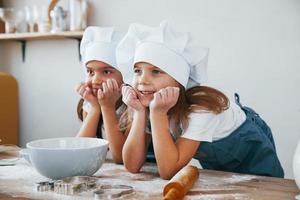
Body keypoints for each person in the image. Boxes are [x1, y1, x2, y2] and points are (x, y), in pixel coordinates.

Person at [116, 21, 284, 179]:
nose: (142, 80)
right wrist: (139, 113)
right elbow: (131, 166)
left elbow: (168, 170)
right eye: (137, 71)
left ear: (179, 80)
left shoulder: (200, 110)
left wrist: (158, 114)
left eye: (156, 71)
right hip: (219, 165)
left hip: (251, 150)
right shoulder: (150, 105)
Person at [76, 26, 127, 164]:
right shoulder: (91, 103)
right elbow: (79, 151)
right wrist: (95, 108)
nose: (95, 80)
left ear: (126, 75)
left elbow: (121, 157)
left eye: (106, 72)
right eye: (90, 72)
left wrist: (107, 108)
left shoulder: (133, 107)